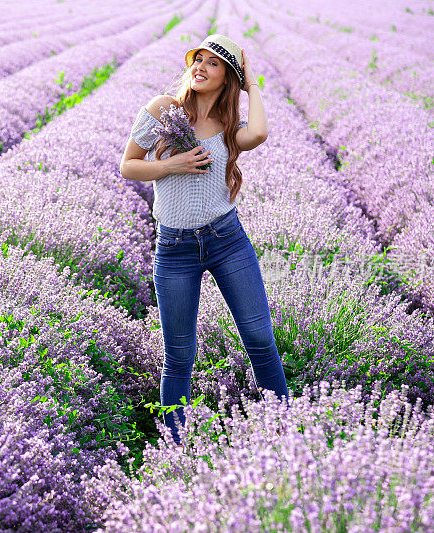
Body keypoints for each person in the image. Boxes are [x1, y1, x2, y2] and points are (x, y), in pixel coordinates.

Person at [119, 34, 289, 446]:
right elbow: (128, 166)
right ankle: (177, 450)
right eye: (198, 59)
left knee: (260, 340)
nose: (200, 67)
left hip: (226, 239)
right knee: (178, 356)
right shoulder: (164, 110)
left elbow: (261, 133)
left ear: (227, 78)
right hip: (174, 249)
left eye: (213, 64)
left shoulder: (230, 127)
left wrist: (253, 84)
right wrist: (174, 163)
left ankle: (286, 433)